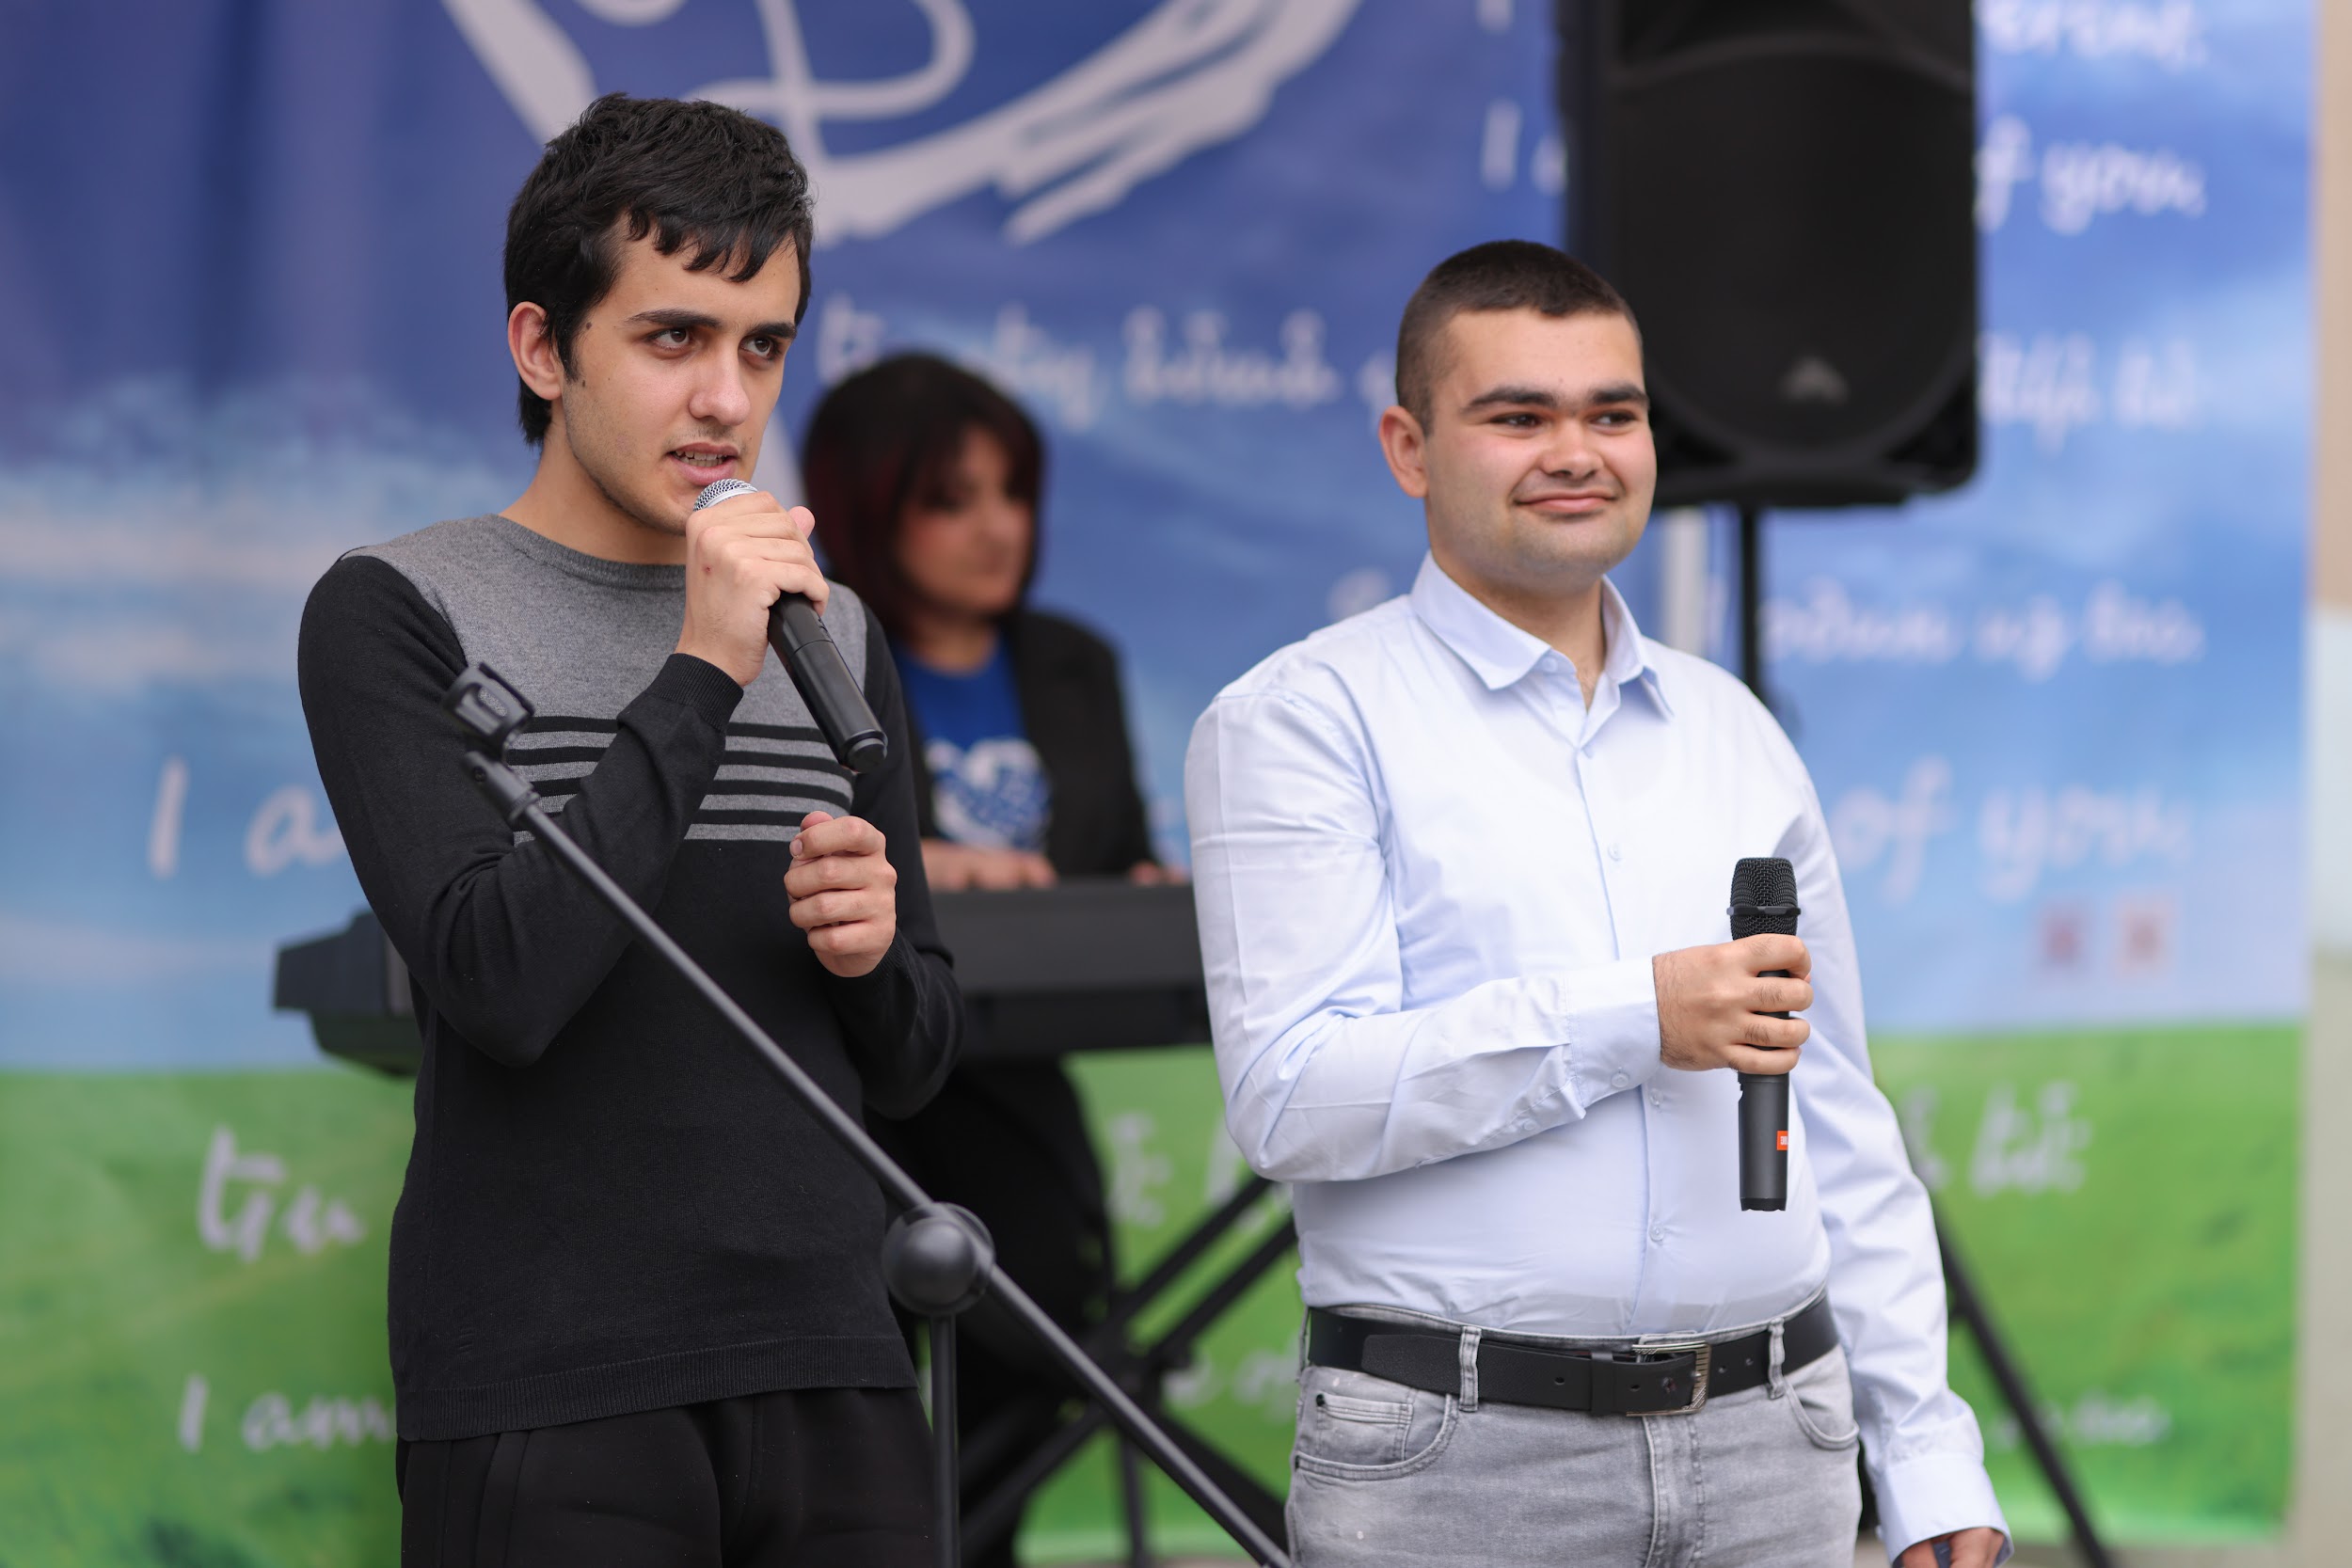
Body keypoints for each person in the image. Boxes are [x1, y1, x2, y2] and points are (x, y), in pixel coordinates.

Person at [1185, 240, 2010, 1568]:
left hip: (1777, 1445)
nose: (1577, 453)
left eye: (1612, 414)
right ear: (1409, 448)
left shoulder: (1734, 730)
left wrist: (1923, 1455)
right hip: (1460, 1460)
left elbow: (1836, 1116)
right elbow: (1292, 1096)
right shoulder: (1304, 720)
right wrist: (1638, 1018)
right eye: (1519, 417)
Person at [297, 95, 960, 1566]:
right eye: (674, 338)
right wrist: (704, 666)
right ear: (543, 349)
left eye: (763, 347)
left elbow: (918, 1059)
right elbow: (501, 984)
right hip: (553, 1378)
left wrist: (870, 957)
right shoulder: (399, 608)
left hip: (838, 1356)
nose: (726, 398)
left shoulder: (835, 629)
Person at [801, 354, 1167, 1566]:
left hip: (1012, 1084)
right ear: (870, 509)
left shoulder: (1073, 660)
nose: (998, 528)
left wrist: (1144, 884)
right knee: (842, 1410)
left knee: (1039, 1347)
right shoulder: (805, 648)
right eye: (951, 500)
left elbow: (1113, 851)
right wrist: (926, 865)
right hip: (846, 1091)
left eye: (1013, 493)